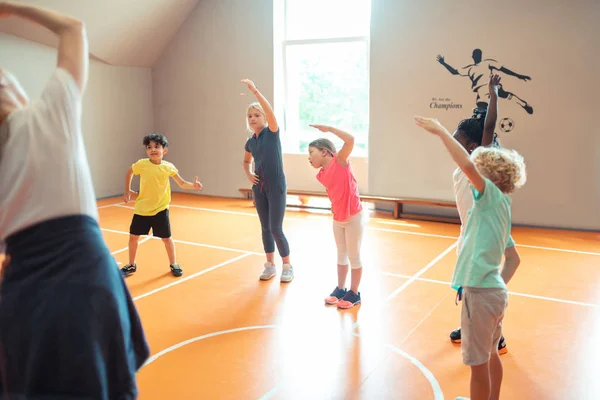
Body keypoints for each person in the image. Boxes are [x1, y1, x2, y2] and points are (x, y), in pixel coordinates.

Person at [0, 2, 149, 398]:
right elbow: (73, 28)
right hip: (83, 281)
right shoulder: (47, 116)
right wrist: (9, 7)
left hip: (21, 294)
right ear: (12, 93)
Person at [414, 114, 526, 400]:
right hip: (495, 293)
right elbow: (514, 258)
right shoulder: (499, 210)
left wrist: (440, 131)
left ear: (486, 177)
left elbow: (464, 164)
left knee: (477, 365)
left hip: (480, 293)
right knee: (490, 355)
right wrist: (494, 283)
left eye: (477, 170)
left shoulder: (487, 196)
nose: (470, 173)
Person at [448, 74, 521, 356]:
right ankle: (468, 323)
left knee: (480, 284)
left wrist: (493, 94)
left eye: (457, 141)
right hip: (469, 230)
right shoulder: (465, 165)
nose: (453, 145)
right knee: (468, 285)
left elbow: (488, 128)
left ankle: (496, 335)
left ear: (470, 146)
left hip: (484, 230)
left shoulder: (477, 162)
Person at [121, 133, 203, 278]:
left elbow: (182, 183)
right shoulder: (142, 164)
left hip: (160, 209)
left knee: (167, 239)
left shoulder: (168, 167)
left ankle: (173, 264)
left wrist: (193, 186)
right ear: (146, 150)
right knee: (133, 237)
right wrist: (127, 190)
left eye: (157, 147)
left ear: (164, 150)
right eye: (149, 147)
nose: (153, 149)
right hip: (142, 209)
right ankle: (131, 264)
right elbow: (130, 172)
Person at [241, 78, 293, 282]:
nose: (253, 118)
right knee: (264, 227)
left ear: (263, 117)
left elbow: (270, 112)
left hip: (276, 186)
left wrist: (255, 91)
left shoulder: (271, 133)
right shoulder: (249, 142)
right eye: (249, 116)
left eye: (256, 115)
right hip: (259, 187)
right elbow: (245, 162)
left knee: (275, 228)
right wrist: (248, 174)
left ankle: (287, 265)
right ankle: (270, 265)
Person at [308, 125, 364, 309]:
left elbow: (350, 140)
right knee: (341, 255)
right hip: (338, 218)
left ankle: (354, 293)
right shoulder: (321, 175)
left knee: (354, 256)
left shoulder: (339, 161)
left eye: (311, 152)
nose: (309, 157)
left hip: (353, 216)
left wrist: (329, 129)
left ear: (325, 152)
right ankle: (340, 289)